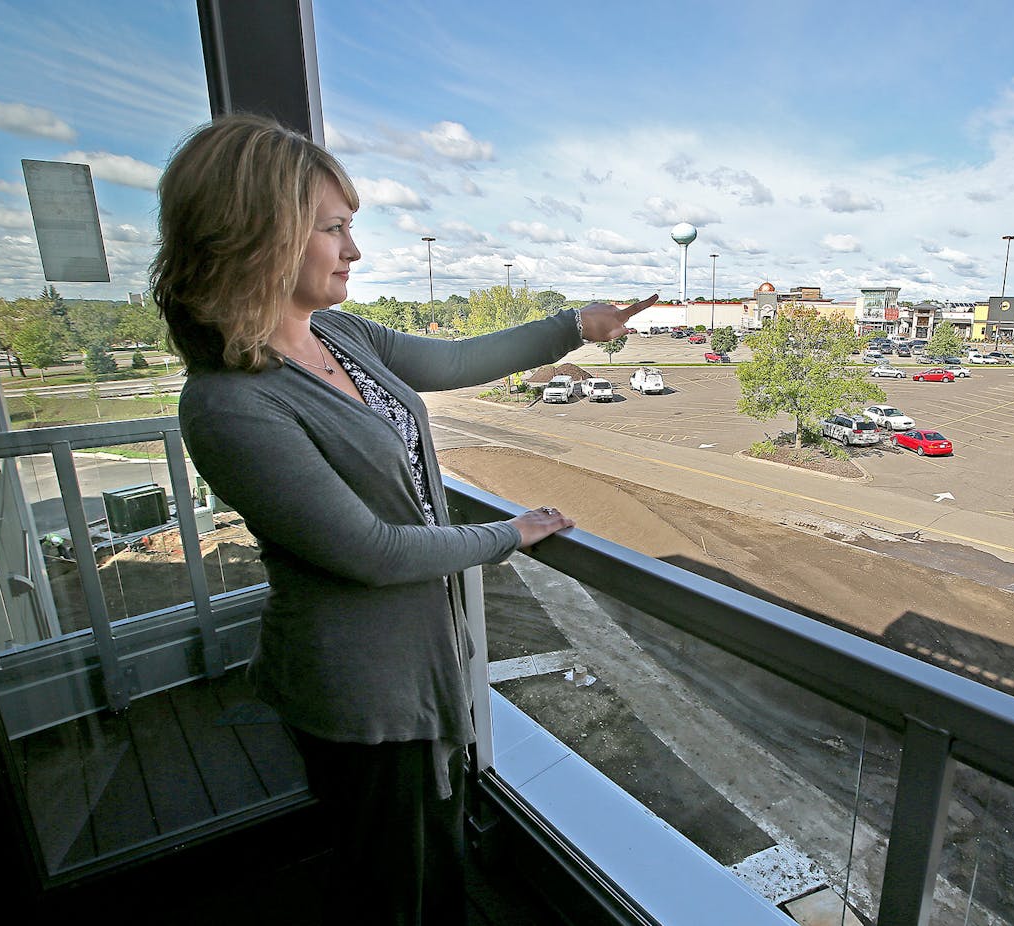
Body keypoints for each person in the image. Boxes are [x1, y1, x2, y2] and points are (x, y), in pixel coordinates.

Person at [150, 112, 653, 924]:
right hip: (361, 686)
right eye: (335, 228)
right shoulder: (229, 404)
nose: (354, 250)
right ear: (261, 237)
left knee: (430, 865)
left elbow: (454, 361)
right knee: (396, 887)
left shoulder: (339, 335)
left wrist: (576, 327)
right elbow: (370, 551)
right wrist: (509, 533)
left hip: (417, 658)